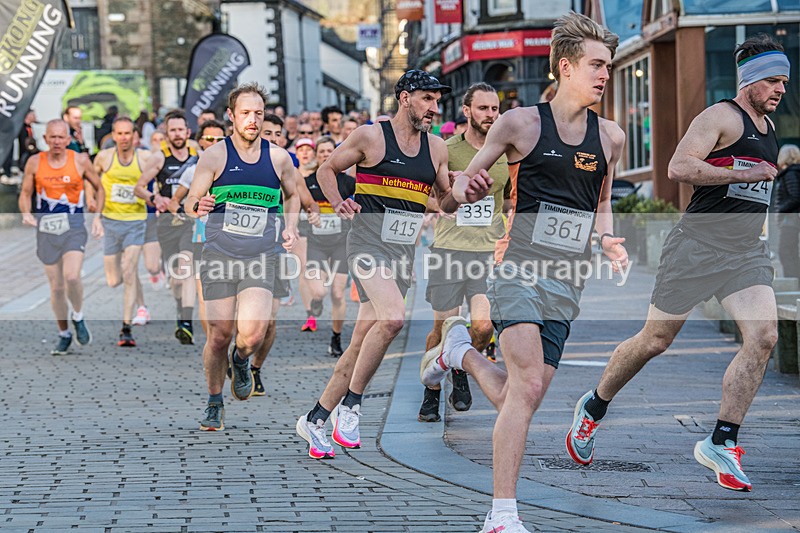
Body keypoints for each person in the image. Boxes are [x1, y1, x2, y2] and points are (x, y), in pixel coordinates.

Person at [419, 13, 626, 532]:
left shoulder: (612, 137)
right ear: (566, 66)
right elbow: (468, 179)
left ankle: (459, 351)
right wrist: (463, 187)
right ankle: (502, 514)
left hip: (568, 280)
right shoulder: (521, 123)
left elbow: (601, 199)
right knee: (528, 384)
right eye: (596, 65)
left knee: (524, 393)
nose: (605, 74)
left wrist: (607, 238)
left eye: (609, 65)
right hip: (518, 270)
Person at [566, 33, 788, 494]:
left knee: (764, 336)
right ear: (749, 80)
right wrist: (740, 173)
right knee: (654, 340)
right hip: (695, 248)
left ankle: (722, 441)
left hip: (744, 253)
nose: (781, 90)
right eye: (772, 80)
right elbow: (678, 167)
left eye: (785, 81)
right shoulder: (719, 117)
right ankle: (594, 407)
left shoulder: (770, 131)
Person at [296, 69, 462, 459]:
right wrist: (338, 201)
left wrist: (460, 192)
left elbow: (441, 201)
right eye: (427, 99)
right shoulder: (371, 135)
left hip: (402, 254)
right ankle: (352, 406)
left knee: (359, 344)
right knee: (393, 319)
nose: (434, 108)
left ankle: (316, 418)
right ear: (405, 98)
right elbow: (326, 169)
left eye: (437, 101)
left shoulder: (436, 148)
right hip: (367, 244)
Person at [185, 82, 300, 431]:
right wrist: (199, 205)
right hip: (219, 254)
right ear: (231, 117)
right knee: (219, 334)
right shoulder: (215, 156)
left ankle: (241, 361)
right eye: (246, 113)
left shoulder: (278, 158)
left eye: (259, 114)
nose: (253, 120)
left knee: (251, 336)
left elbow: (293, 196)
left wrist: (290, 226)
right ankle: (214, 400)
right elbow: (190, 202)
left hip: (261, 255)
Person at [417, 83, 511, 423]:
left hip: (485, 252)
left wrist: (507, 230)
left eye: (495, 109)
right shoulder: (446, 149)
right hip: (448, 249)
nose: (490, 114)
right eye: (483, 108)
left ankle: (459, 366)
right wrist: (442, 206)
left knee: (484, 327)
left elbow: (507, 198)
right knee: (443, 325)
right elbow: (425, 194)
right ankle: (431, 390)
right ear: (466, 111)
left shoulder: (503, 152)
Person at [18, 119, 104, 355]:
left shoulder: (80, 160)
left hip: (74, 226)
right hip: (46, 229)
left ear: (68, 139)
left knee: (72, 276)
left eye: (61, 137)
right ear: (45, 139)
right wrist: (26, 214)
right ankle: (64, 333)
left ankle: (78, 315)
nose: (56, 141)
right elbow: (26, 193)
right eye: (52, 137)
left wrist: (97, 216)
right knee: (56, 287)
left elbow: (99, 187)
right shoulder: (35, 162)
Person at [135, 109, 198, 345]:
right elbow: (139, 188)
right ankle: (181, 306)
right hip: (167, 224)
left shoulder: (198, 156)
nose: (178, 134)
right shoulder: (159, 158)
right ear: (166, 133)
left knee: (187, 267)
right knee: (176, 280)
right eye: (173, 130)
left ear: (188, 131)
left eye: (181, 129)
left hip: (189, 221)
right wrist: (155, 198)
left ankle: (186, 322)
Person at [93, 117, 150, 346]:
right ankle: (131, 272)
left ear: (135, 136)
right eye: (120, 134)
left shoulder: (144, 158)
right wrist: (93, 208)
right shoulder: (104, 158)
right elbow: (92, 181)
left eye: (128, 134)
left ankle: (126, 328)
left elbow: (159, 178)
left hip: (136, 222)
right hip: (110, 221)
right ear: (113, 136)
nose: (124, 138)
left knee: (128, 271)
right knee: (113, 280)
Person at [170, 119, 228, 338]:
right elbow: (176, 202)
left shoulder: (235, 168)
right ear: (200, 141)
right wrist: (190, 211)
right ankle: (213, 346)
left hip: (232, 238)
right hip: (200, 236)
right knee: (205, 296)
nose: (214, 143)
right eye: (209, 139)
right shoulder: (193, 170)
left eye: (219, 139)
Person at [303, 136, 356, 357]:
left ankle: (336, 337)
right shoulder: (307, 182)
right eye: (322, 151)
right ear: (316, 155)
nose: (326, 154)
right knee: (319, 291)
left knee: (337, 293)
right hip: (316, 243)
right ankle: (315, 303)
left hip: (340, 243)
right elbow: (296, 209)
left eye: (329, 151)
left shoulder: (347, 182)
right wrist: (307, 218)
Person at [773, 144, 800, 279]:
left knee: (785, 251)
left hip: (790, 220)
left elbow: (795, 196)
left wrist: (780, 209)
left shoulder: (790, 174)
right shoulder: (792, 173)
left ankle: (793, 283)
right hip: (792, 219)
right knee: (791, 252)